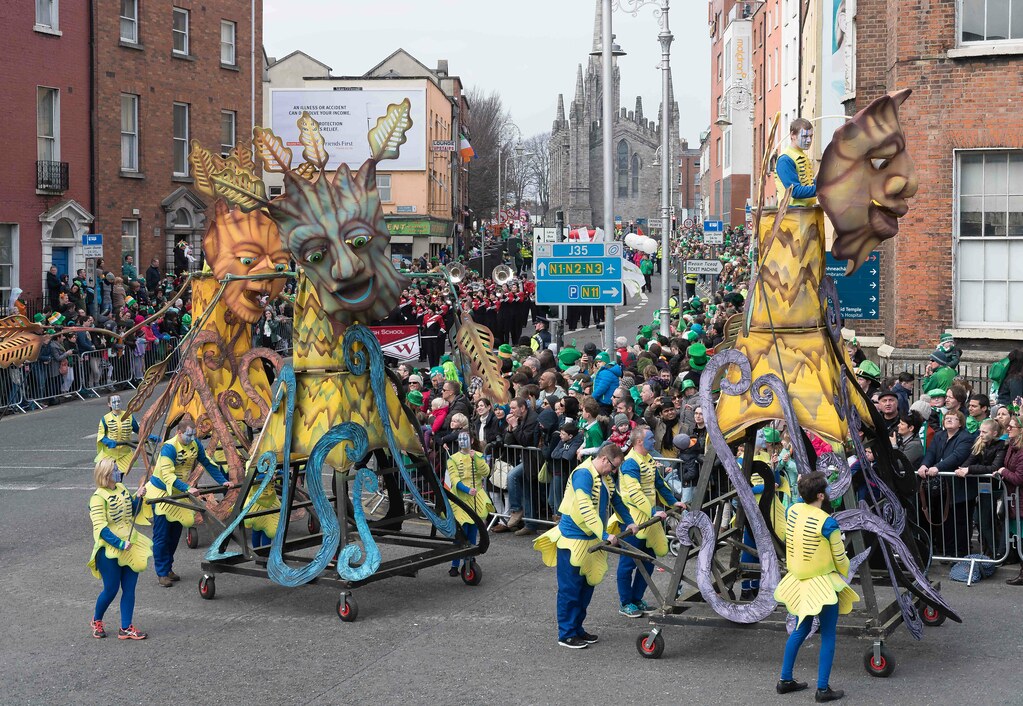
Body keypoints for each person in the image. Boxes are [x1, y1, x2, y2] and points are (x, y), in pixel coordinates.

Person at [533, 444, 637, 649]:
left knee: (586, 587)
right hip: (573, 540)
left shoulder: (605, 478)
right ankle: (566, 633)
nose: (614, 472)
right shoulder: (583, 474)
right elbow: (585, 507)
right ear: (605, 460)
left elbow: (617, 500)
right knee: (570, 589)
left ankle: (577, 628)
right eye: (614, 467)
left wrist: (629, 521)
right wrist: (605, 534)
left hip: (591, 540)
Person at [774, 472, 857, 703]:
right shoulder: (827, 522)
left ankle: (785, 679)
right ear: (821, 495)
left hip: (798, 580)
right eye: (827, 489)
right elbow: (840, 560)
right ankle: (822, 689)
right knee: (828, 634)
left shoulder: (793, 511)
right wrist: (845, 571)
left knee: (801, 628)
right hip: (822, 584)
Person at [145, 414, 232, 587]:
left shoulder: (194, 444)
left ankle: (168, 567)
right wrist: (186, 488)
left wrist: (223, 480)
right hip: (163, 494)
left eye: (194, 435)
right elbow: (168, 476)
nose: (192, 438)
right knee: (161, 536)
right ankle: (162, 573)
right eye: (188, 435)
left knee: (175, 534)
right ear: (179, 433)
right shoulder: (169, 448)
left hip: (179, 493)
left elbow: (207, 462)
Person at [615, 427, 686, 618]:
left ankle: (637, 598)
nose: (654, 442)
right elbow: (634, 493)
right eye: (651, 439)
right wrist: (653, 510)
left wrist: (673, 501)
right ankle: (625, 602)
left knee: (648, 561)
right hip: (634, 522)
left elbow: (659, 483)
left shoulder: (648, 459)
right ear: (639, 441)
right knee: (628, 563)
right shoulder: (630, 463)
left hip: (651, 520)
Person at [88, 458, 152, 640]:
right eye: (115, 470)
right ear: (106, 475)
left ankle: (126, 627)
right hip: (109, 551)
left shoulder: (122, 489)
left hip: (130, 543)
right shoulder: (97, 498)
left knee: (130, 589)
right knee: (111, 589)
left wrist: (138, 497)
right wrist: (120, 544)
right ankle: (97, 620)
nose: (119, 472)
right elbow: (100, 529)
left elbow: (132, 512)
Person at [916, 410, 974, 556]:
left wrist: (938, 467)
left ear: (960, 423)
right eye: (946, 418)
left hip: (960, 488)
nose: (948, 420)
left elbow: (957, 456)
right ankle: (945, 552)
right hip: (942, 488)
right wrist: (924, 465)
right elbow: (931, 453)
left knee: (959, 522)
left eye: (953, 418)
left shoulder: (966, 437)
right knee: (944, 521)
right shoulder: (939, 435)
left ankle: (960, 554)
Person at [957, 419, 1006, 559]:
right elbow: (970, 460)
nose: (981, 434)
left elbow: (993, 468)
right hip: (983, 487)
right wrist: (963, 469)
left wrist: (970, 469)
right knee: (981, 521)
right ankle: (991, 550)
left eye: (984, 432)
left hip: (996, 489)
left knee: (987, 521)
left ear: (994, 433)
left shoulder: (1002, 446)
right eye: (980, 431)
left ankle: (996, 552)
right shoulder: (980, 444)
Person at [446, 432, 493, 576]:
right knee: (461, 532)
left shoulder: (478, 455)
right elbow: (454, 479)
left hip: (476, 499)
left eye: (464, 438)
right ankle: (454, 564)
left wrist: (476, 459)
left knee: (473, 530)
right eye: (459, 439)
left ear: (471, 440)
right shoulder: (452, 459)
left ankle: (470, 560)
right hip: (460, 498)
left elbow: (486, 472)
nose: (461, 441)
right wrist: (466, 490)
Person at [95, 394, 160, 479]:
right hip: (110, 454)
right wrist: (107, 441)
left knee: (119, 476)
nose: (117, 404)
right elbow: (101, 435)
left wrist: (149, 436)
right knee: (108, 476)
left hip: (124, 454)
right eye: (114, 402)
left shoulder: (128, 416)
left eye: (118, 401)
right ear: (109, 404)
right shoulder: (105, 419)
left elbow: (138, 430)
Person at [994, 416, 1023, 584]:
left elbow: (1019, 478)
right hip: (1014, 500)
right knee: (1018, 536)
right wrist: (1000, 472)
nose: (1008, 428)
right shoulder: (1012, 446)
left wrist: (1003, 471)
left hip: (1020, 501)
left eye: (1012, 426)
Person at [774, 118, 817, 207]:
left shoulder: (801, 155)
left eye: (811, 136)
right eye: (805, 137)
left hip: (805, 214)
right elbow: (794, 191)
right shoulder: (785, 159)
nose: (809, 140)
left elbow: (808, 184)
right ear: (793, 135)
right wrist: (823, 189)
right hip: (792, 215)